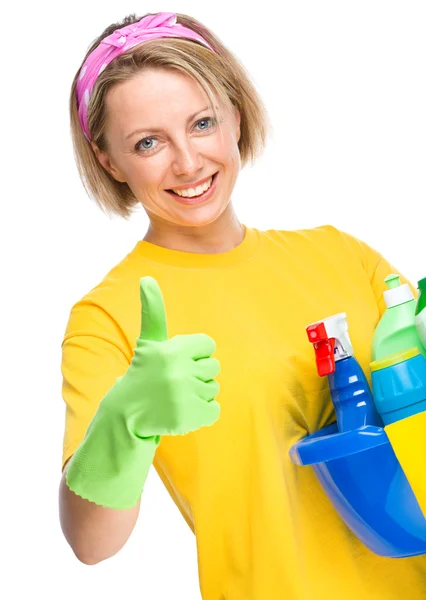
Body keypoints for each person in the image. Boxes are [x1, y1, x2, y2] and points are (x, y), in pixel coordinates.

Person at [58, 11, 426, 599]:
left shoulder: (344, 256)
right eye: (147, 142)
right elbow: (90, 544)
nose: (187, 162)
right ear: (109, 161)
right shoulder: (111, 317)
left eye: (201, 123)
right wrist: (125, 424)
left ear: (234, 114)